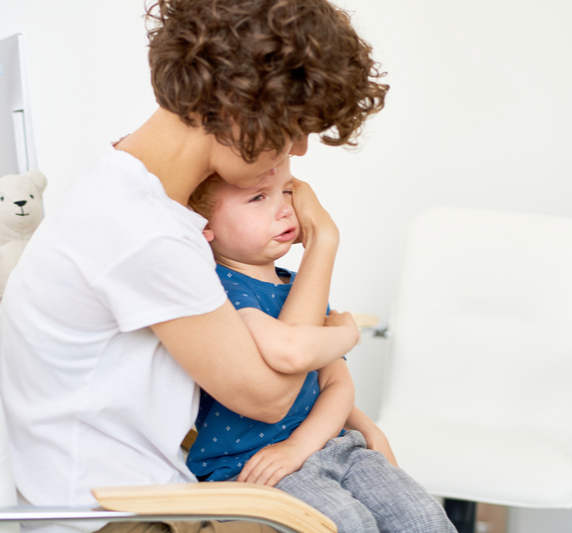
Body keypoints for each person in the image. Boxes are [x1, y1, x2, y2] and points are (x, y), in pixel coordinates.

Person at [0, 2, 390, 533]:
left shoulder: (129, 187)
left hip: (150, 496)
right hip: (120, 520)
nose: (299, 147)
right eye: (295, 125)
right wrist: (323, 242)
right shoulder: (141, 230)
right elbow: (270, 399)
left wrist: (355, 420)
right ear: (237, 107)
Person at [185, 158, 456, 533]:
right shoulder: (215, 289)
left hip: (334, 446)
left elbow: (337, 384)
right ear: (203, 227)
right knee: (346, 523)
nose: (283, 209)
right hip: (253, 463)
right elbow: (289, 347)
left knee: (423, 517)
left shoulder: (302, 287)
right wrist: (347, 334)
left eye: (287, 193)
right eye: (258, 198)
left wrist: (303, 445)